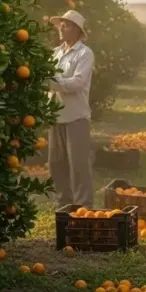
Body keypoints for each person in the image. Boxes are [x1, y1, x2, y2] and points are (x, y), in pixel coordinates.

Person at [47, 10, 95, 208]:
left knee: (78, 167)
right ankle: (64, 206)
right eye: (61, 24)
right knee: (56, 165)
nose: (61, 27)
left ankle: (84, 208)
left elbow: (78, 83)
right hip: (55, 116)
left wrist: (52, 81)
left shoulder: (85, 53)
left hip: (75, 117)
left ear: (76, 29)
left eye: (66, 24)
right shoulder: (56, 53)